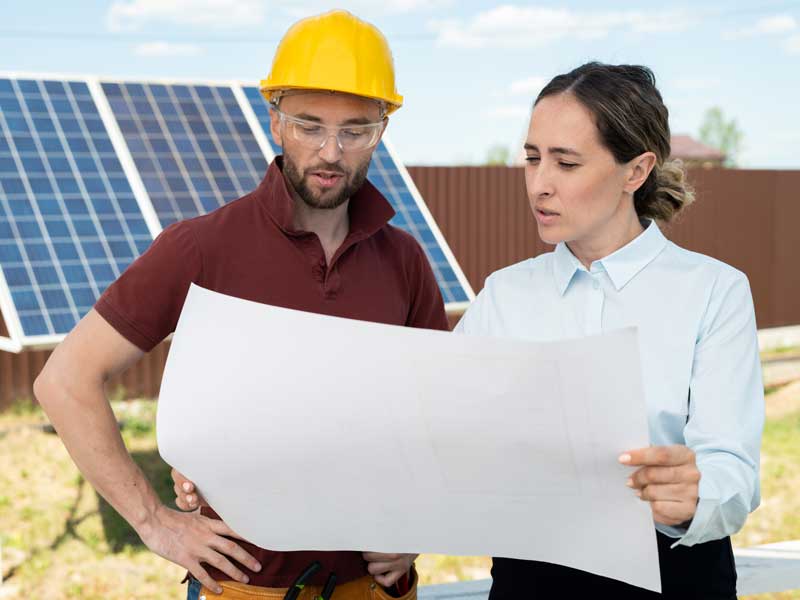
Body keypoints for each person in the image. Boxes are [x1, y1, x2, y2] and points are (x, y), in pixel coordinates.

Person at [34, 10, 445, 600]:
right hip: (249, 589)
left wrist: (417, 528)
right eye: (309, 125)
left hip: (379, 588)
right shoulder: (200, 248)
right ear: (275, 119)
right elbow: (64, 381)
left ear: (383, 127)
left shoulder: (404, 259)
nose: (331, 151)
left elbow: (438, 423)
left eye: (356, 130)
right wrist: (154, 522)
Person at [455, 62, 763, 599]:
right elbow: (443, 437)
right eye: (532, 159)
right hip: (531, 583)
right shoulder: (503, 296)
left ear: (635, 171)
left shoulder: (715, 291)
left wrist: (695, 495)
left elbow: (734, 470)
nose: (539, 184)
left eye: (566, 163)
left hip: (677, 578)